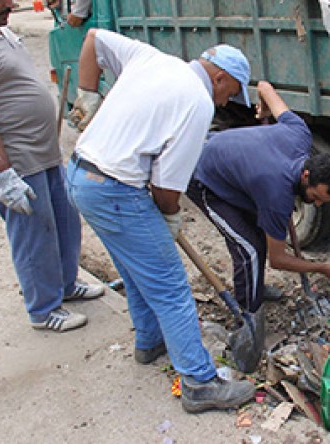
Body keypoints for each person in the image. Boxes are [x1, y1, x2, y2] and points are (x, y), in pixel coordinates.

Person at [65, 28, 255, 412]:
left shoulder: (154, 59)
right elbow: (166, 189)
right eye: (231, 91)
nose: (228, 100)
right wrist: (170, 219)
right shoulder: (198, 102)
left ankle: (150, 342)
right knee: (170, 285)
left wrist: (88, 95)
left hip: (80, 175)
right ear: (219, 76)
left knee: (138, 271)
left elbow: (94, 40)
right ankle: (200, 384)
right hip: (116, 190)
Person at [0, 0, 104, 333]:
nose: (13, 4)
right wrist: (5, 177)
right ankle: (43, 309)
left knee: (64, 224)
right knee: (34, 238)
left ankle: (66, 285)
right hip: (17, 165)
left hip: (44, 155)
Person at [187, 80, 330, 317]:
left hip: (234, 168)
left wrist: (264, 108)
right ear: (307, 174)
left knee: (260, 234)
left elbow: (265, 87)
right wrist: (323, 268)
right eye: (316, 197)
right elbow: (278, 259)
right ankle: (248, 315)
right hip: (202, 176)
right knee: (248, 247)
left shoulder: (300, 133)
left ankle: (253, 286)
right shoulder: (277, 194)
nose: (316, 204)